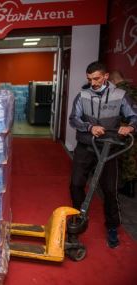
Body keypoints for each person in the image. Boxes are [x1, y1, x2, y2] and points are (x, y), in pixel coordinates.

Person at [69, 61, 137, 248]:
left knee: (109, 190)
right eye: (90, 79)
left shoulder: (120, 95)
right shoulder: (82, 95)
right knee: (75, 184)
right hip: (87, 146)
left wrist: (130, 127)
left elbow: (134, 116)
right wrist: (90, 127)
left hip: (109, 147)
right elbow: (74, 119)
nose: (93, 83)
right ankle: (78, 217)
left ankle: (113, 227)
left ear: (106, 76)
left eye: (97, 78)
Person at [109, 70, 137, 197]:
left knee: (127, 159)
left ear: (113, 80)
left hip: (124, 129)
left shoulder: (117, 93)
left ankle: (128, 188)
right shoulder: (134, 90)